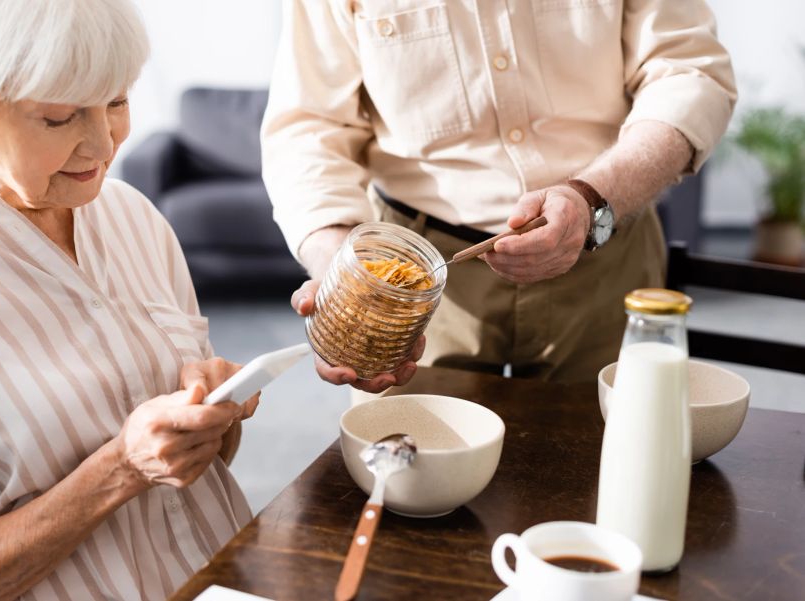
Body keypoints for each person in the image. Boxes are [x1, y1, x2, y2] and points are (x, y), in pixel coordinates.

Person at [0, 1, 259, 598]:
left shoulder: (133, 217)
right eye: (60, 117)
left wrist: (213, 418)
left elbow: (208, 469)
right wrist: (120, 469)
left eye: (117, 101)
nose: (104, 144)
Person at [261, 0, 737, 387]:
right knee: (406, 473)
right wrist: (340, 273)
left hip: (606, 250)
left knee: (609, 472)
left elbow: (689, 73)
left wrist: (593, 196)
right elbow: (307, 127)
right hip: (420, 278)